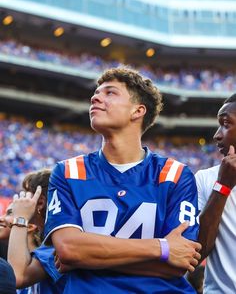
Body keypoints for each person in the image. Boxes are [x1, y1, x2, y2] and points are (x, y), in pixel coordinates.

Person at [44, 67, 201, 293]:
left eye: (110, 93)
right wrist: (162, 247)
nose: (95, 97)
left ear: (137, 111)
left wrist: (86, 257)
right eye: (96, 93)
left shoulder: (175, 174)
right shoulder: (68, 171)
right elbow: (69, 249)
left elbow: (179, 262)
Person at [196, 93, 236, 294]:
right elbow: (198, 250)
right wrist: (223, 186)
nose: (217, 135)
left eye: (226, 124)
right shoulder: (205, 178)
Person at [7, 169, 66, 294]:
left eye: (26, 194)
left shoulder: (55, 245)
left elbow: (16, 276)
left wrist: (20, 218)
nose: (20, 201)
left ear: (40, 202)